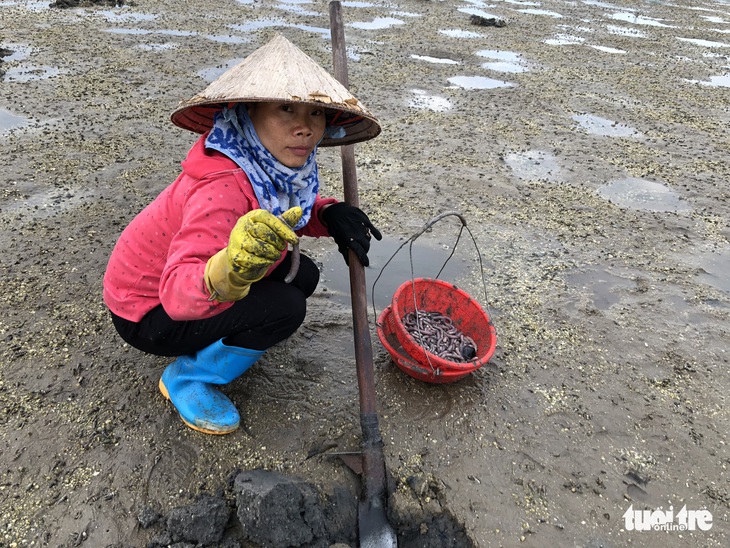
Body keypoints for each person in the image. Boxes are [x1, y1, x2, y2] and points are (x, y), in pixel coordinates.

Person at [103, 34, 382, 435]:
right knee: (286, 305)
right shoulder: (223, 187)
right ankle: (187, 378)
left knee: (303, 274)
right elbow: (179, 294)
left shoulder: (261, 160)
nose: (304, 128)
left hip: (177, 290)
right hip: (147, 311)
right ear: (247, 112)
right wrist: (229, 271)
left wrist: (329, 212)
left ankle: (226, 341)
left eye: (315, 114)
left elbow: (287, 207)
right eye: (286, 109)